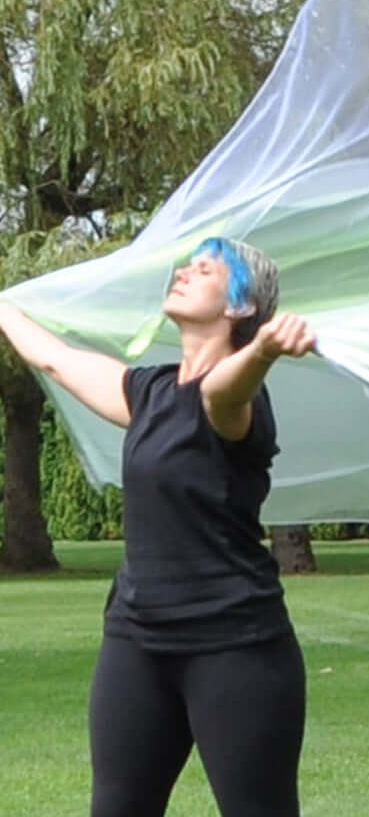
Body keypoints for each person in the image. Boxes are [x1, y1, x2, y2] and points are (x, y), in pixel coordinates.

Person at [0, 237, 314, 817]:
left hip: (236, 646)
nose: (185, 272)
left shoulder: (240, 401)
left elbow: (221, 392)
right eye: (188, 263)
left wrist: (264, 351)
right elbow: (54, 358)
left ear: (241, 308)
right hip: (137, 642)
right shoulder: (149, 393)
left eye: (207, 269)